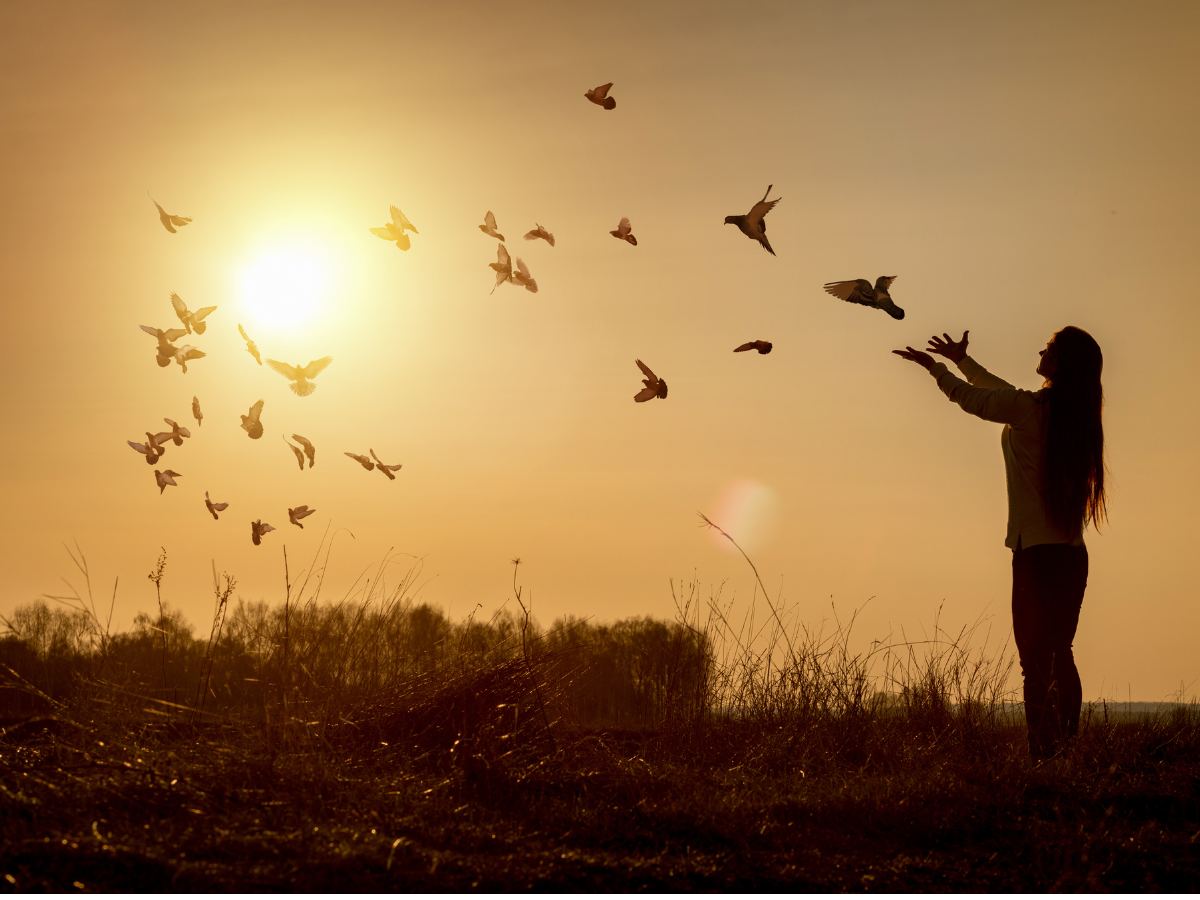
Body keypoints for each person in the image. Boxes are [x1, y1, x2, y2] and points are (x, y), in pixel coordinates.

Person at [893, 327, 1107, 762]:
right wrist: (962, 362)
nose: (1040, 349)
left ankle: (1044, 754)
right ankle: (1064, 749)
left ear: (1060, 363)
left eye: (1048, 348)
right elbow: (1003, 392)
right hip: (1069, 554)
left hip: (1035, 555)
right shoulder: (1069, 414)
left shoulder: (1029, 409)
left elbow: (978, 400)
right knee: (1060, 651)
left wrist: (936, 368)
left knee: (1034, 660)